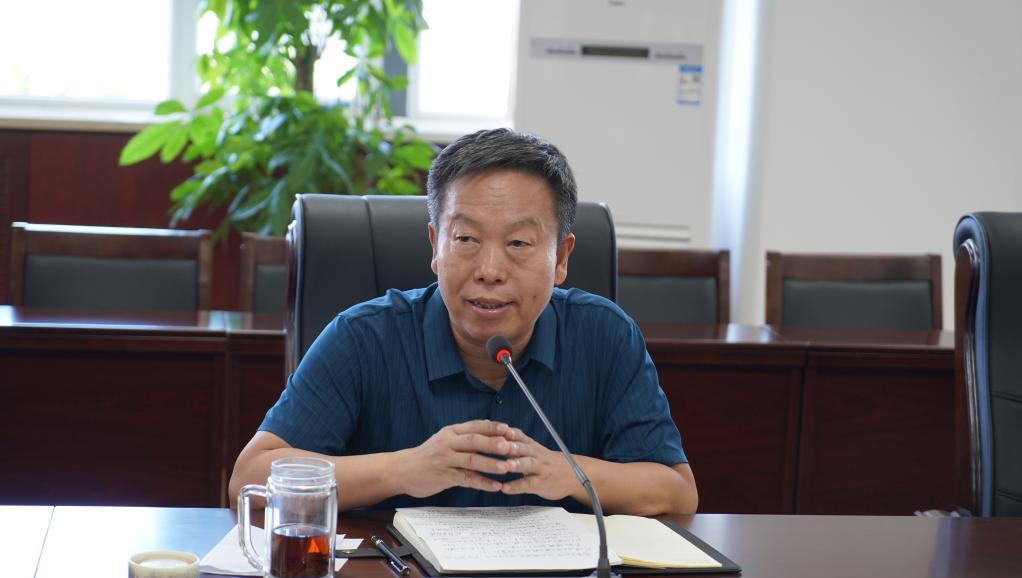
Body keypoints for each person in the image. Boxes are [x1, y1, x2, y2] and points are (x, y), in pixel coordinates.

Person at [229, 128, 697, 516]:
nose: (489, 270)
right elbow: (249, 480)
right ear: (435, 246)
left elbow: (676, 493)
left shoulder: (604, 335)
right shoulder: (364, 337)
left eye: (518, 243)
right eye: (466, 239)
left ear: (561, 258)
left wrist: (569, 473)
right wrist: (404, 469)